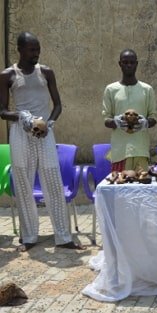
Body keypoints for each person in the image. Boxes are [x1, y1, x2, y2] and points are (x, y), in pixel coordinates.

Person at [0, 32, 84, 251]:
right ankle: (29, 236)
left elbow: (57, 105)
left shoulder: (45, 72)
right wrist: (23, 117)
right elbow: (2, 112)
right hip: (20, 133)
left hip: (45, 132)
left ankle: (63, 236)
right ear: (19, 49)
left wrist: (49, 123)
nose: (36, 53)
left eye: (38, 49)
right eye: (31, 49)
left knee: (53, 181)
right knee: (23, 183)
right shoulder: (8, 75)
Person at [103, 49, 157, 172]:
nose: (129, 65)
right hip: (120, 151)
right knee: (120, 185)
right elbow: (106, 119)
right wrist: (116, 122)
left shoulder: (147, 89)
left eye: (132, 62)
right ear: (120, 64)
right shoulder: (111, 90)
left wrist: (146, 123)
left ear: (136, 64)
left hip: (141, 149)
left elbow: (153, 118)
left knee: (141, 186)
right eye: (125, 62)